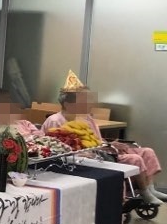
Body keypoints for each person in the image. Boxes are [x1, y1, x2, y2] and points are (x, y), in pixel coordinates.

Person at [43, 71, 164, 206]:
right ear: (67, 104)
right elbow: (59, 148)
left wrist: (111, 144)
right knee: (135, 159)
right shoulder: (55, 121)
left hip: (103, 150)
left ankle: (151, 189)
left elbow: (97, 140)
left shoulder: (87, 117)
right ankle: (144, 192)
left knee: (147, 152)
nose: (89, 103)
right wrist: (103, 148)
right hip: (85, 157)